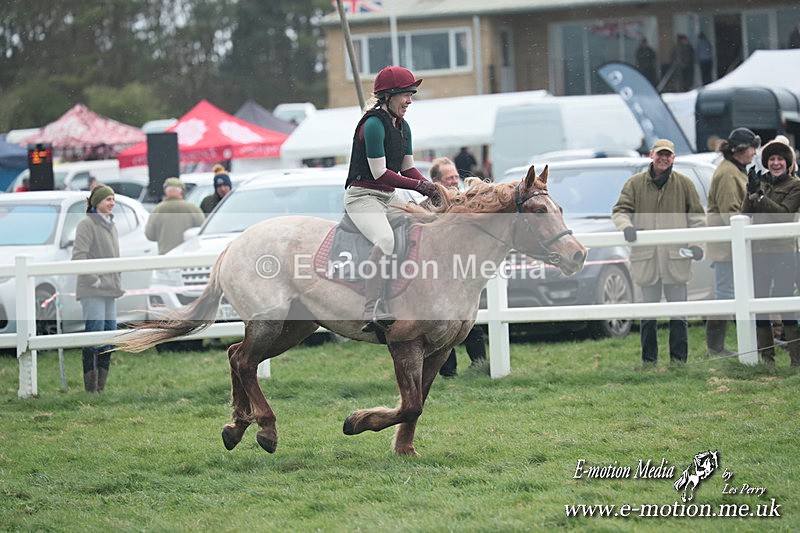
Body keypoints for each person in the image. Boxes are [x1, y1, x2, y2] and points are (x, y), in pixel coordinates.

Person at [344, 65, 439, 333]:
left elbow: (408, 168)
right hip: (362, 196)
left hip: (388, 196)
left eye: (411, 95)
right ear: (388, 96)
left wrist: (433, 188)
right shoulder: (373, 124)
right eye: (406, 95)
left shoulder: (403, 126)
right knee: (385, 240)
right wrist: (420, 187)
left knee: (424, 226)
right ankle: (372, 307)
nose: (410, 101)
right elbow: (380, 173)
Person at [612, 139, 706, 367]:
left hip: (676, 259)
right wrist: (626, 227)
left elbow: (697, 217)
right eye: (660, 154)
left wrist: (697, 245)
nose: (663, 158)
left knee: (679, 315)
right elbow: (620, 210)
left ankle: (679, 362)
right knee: (648, 316)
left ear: (673, 158)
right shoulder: (634, 184)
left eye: (668, 155)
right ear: (651, 156)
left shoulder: (685, 184)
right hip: (647, 260)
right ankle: (649, 362)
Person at [741, 136, 800, 366]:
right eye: (772, 159)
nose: (776, 163)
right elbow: (745, 213)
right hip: (759, 251)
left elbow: (783, 214)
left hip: (783, 252)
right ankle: (767, 359)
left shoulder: (795, 185)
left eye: (780, 159)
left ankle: (796, 359)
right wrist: (751, 191)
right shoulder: (761, 182)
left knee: (785, 303)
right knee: (759, 303)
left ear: (787, 162)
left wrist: (761, 196)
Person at [428, 157, 488, 376]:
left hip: (462, 273)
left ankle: (479, 365)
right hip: (436, 276)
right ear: (436, 181)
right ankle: (447, 372)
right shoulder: (428, 207)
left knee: (470, 322)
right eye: (449, 178)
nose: (455, 181)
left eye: (456, 176)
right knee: (442, 325)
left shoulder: (466, 202)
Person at [705, 127, 761, 356]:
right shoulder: (728, 174)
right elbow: (731, 214)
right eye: (752, 148)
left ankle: (742, 343)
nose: (754, 153)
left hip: (732, 248)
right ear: (741, 150)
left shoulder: (735, 169)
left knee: (734, 295)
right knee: (726, 295)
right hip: (727, 249)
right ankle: (715, 348)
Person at [72, 185, 125, 392]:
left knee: (109, 336)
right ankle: (90, 390)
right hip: (93, 290)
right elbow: (79, 256)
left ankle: (100, 388)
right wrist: (94, 280)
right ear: (97, 202)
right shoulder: (86, 224)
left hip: (110, 289)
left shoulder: (112, 225)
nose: (112, 203)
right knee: (94, 335)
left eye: (113, 199)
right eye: (107, 199)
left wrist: (115, 282)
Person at [145, 177, 205, 254]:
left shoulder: (157, 210)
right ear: (182, 191)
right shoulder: (193, 209)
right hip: (188, 255)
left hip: (166, 255)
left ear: (165, 192)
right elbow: (203, 231)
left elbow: (149, 235)